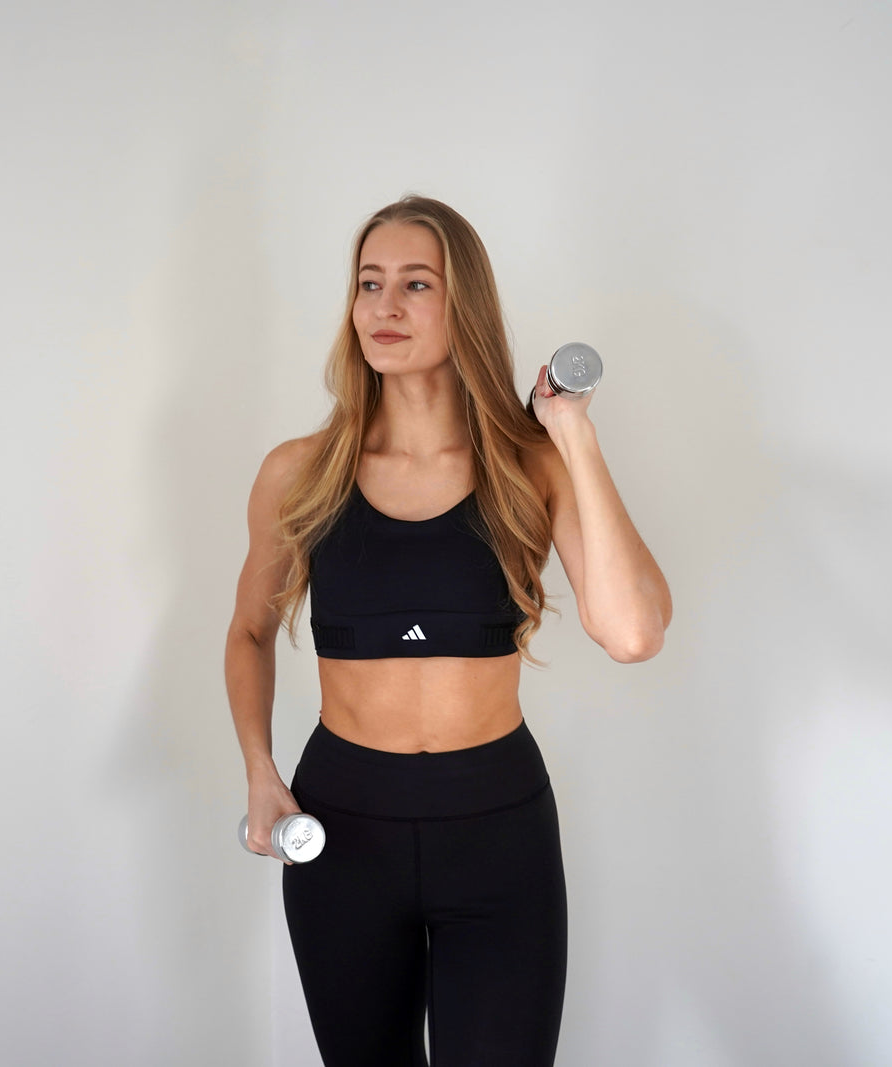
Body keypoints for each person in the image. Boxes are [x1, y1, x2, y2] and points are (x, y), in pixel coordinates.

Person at [224, 195, 672, 1067]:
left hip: (496, 829)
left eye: (415, 284)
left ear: (462, 301)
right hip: (345, 828)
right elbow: (247, 630)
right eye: (369, 284)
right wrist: (259, 770)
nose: (384, 307)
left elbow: (633, 633)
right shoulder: (300, 472)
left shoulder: (528, 466)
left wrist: (571, 433)